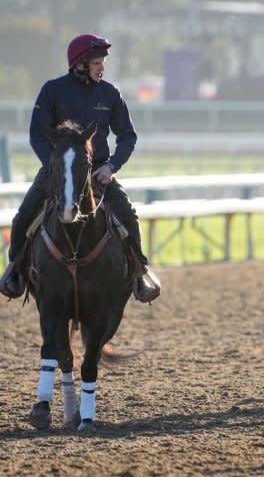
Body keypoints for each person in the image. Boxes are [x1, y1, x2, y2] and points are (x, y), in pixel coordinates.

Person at [0, 33, 159, 302]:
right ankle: (14, 270)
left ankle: (139, 272)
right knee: (23, 215)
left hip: (97, 172)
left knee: (128, 216)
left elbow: (127, 137)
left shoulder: (110, 93)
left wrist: (111, 167)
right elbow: (37, 134)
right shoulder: (52, 90)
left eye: (102, 63)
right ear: (80, 64)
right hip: (58, 169)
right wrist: (55, 166)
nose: (102, 67)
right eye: (97, 62)